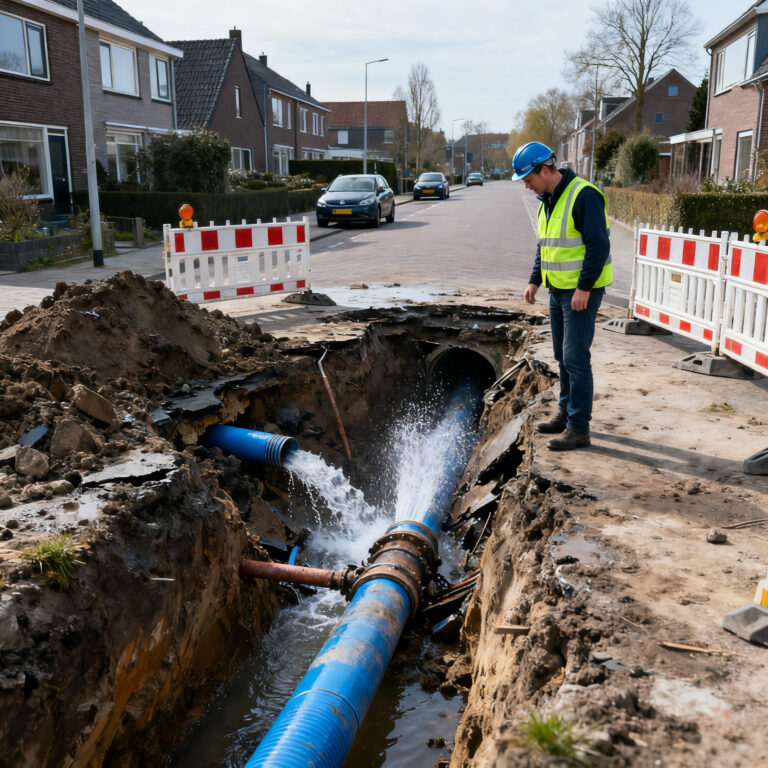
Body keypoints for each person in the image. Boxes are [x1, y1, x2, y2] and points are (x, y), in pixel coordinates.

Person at [512, 141, 612, 451]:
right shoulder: (547, 200)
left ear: (544, 169)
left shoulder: (583, 195)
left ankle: (579, 429)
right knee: (562, 357)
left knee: (575, 359)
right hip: (557, 290)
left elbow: (599, 245)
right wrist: (534, 280)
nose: (528, 187)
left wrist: (583, 288)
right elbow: (545, 245)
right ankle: (566, 415)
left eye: (529, 179)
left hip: (581, 292)